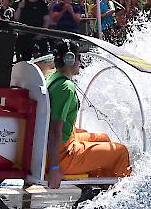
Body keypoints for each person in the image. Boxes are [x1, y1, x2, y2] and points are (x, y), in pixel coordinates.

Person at [46, 40, 131, 189]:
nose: (80, 62)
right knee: (121, 152)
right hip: (63, 156)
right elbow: (54, 131)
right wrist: (54, 169)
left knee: (103, 138)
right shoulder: (65, 88)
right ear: (70, 59)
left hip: (55, 147)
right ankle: (117, 196)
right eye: (79, 57)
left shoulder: (53, 78)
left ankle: (97, 189)